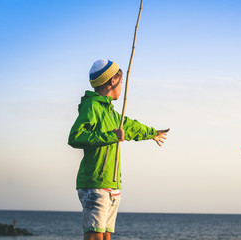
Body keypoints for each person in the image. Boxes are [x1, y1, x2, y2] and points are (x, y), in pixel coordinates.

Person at [68, 59, 169, 240]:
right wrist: (110, 136)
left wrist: (152, 133)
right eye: (121, 82)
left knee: (106, 235)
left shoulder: (112, 113)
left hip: (112, 184)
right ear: (113, 81)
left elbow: (130, 127)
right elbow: (75, 137)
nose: (122, 87)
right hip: (95, 184)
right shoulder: (92, 107)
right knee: (94, 235)